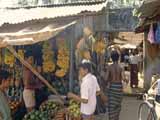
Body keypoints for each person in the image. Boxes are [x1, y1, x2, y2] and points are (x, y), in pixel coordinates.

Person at [105, 50, 127, 120]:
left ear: (111, 58)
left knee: (111, 107)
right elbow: (123, 78)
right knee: (117, 106)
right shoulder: (121, 67)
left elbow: (106, 78)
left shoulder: (109, 67)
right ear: (118, 58)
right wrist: (127, 80)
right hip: (119, 88)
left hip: (112, 88)